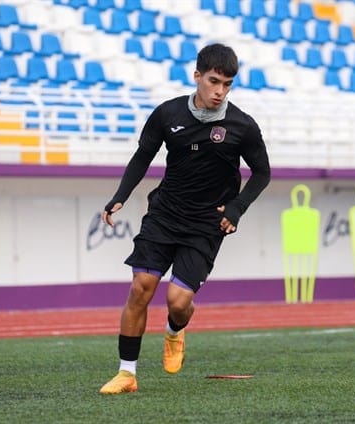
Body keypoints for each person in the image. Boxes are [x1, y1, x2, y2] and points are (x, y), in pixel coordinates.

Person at [99, 43, 271, 394]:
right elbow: (142, 156)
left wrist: (237, 208)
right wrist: (120, 197)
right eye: (213, 82)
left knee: (178, 302)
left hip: (207, 224)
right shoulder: (167, 114)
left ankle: (175, 331)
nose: (219, 91)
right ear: (197, 76)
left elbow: (263, 173)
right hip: (165, 214)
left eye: (227, 84)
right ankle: (126, 374)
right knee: (140, 288)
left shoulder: (242, 126)